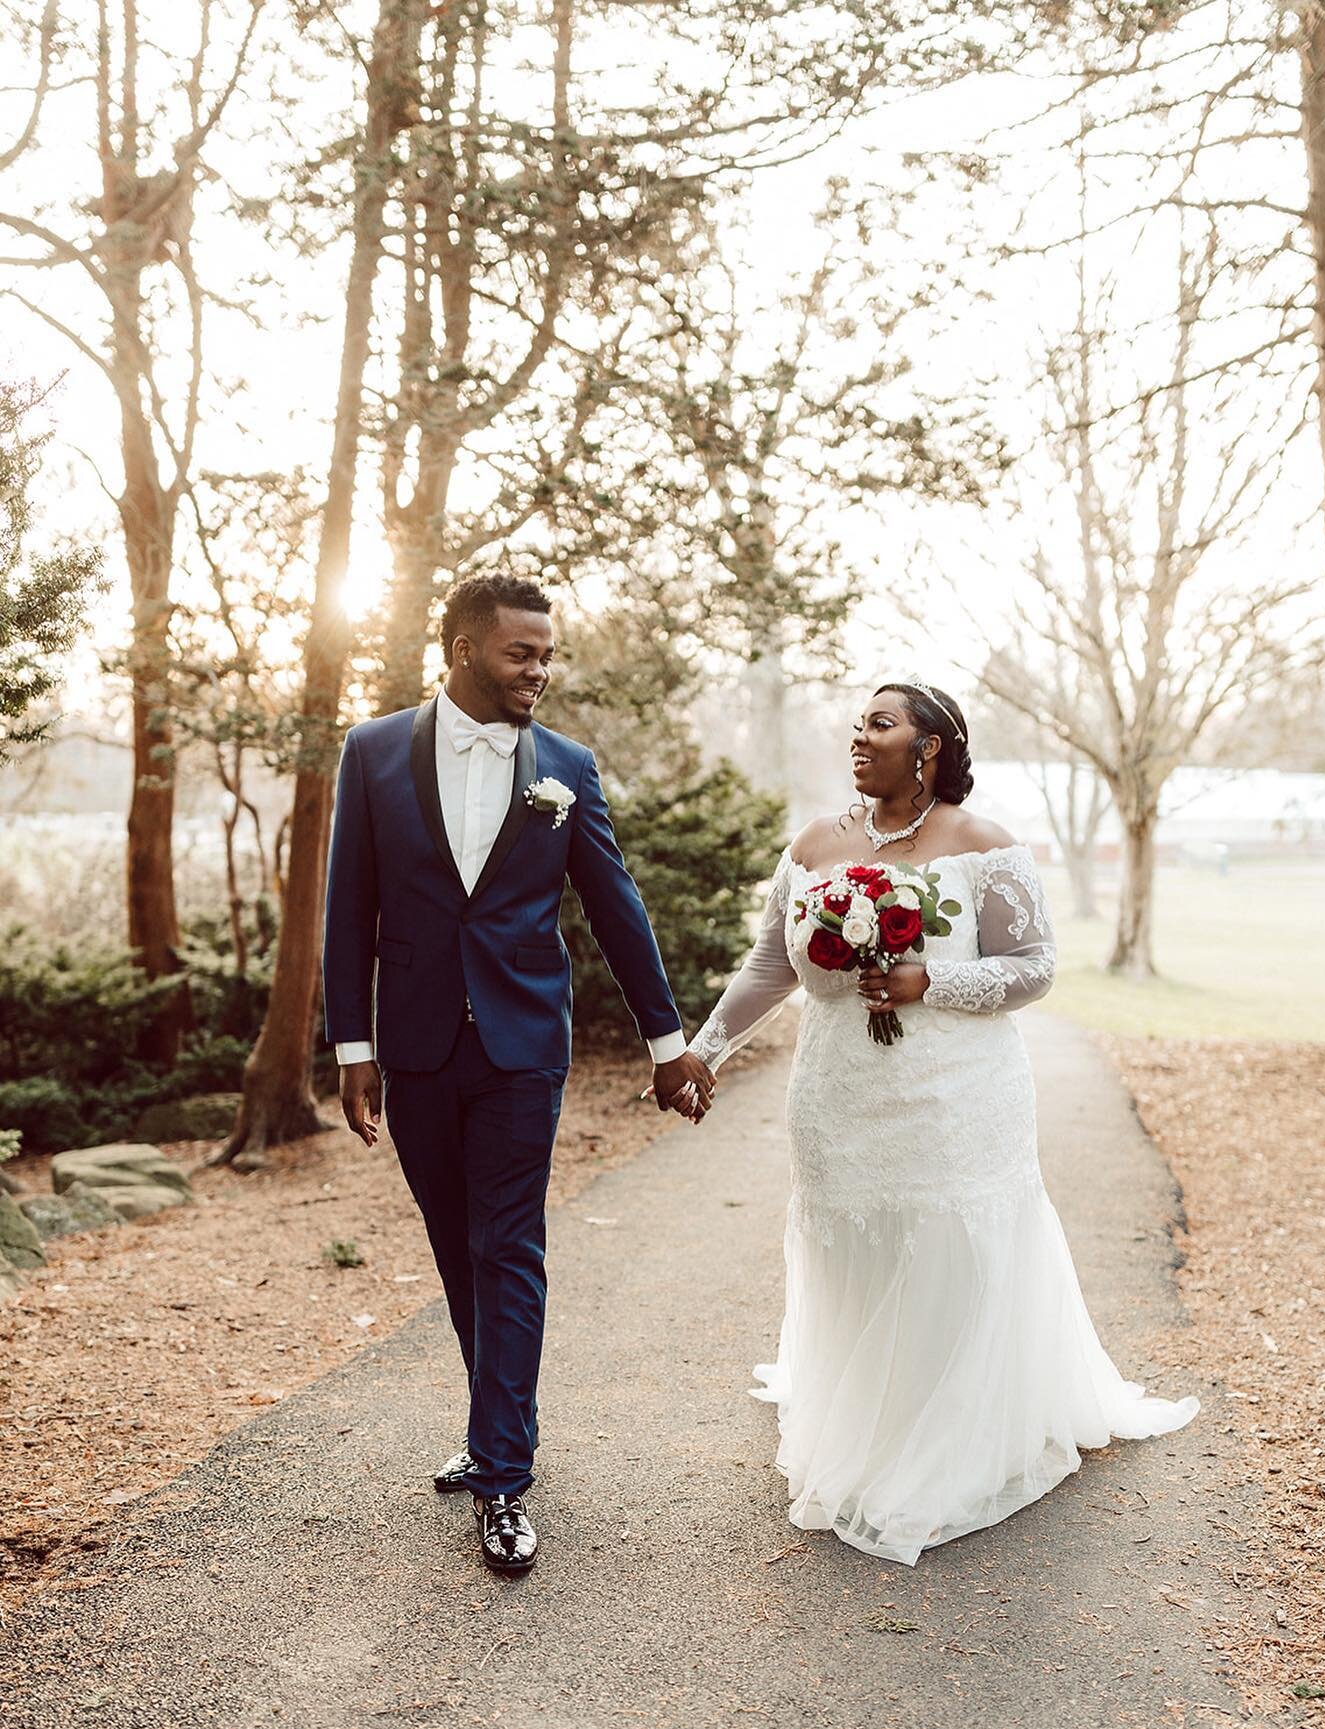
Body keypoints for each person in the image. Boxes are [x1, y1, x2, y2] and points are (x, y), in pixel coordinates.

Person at [686, 680, 1199, 1565]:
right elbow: (771, 962)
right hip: (840, 1093)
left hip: (957, 1095)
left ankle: (951, 1432)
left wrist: (933, 983)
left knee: (949, 1242)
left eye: (880, 724)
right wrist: (704, 1052)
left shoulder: (985, 846)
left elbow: (1035, 969)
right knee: (857, 1243)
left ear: (928, 748)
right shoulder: (816, 844)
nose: (860, 735)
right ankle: (866, 1416)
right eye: (858, 724)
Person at [321, 573, 714, 1576]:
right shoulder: (370, 754)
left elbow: (617, 907)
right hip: (413, 1047)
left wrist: (669, 1043)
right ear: (462, 650)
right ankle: (494, 1425)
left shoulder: (567, 768)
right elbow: (347, 906)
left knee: (509, 1246)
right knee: (458, 1250)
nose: (540, 671)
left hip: (522, 1049)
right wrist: (352, 1048)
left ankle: (503, 1477)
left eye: (547, 654)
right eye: (520, 654)